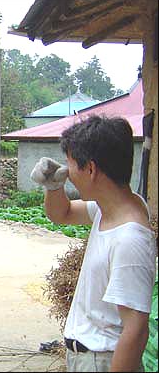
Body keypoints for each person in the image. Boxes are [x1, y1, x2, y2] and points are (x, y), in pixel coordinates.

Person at [30, 115, 157, 372]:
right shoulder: (112, 207)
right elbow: (61, 214)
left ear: (91, 169)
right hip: (88, 356)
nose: (68, 173)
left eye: (70, 166)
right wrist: (54, 187)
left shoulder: (129, 238)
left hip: (103, 360)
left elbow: (135, 330)